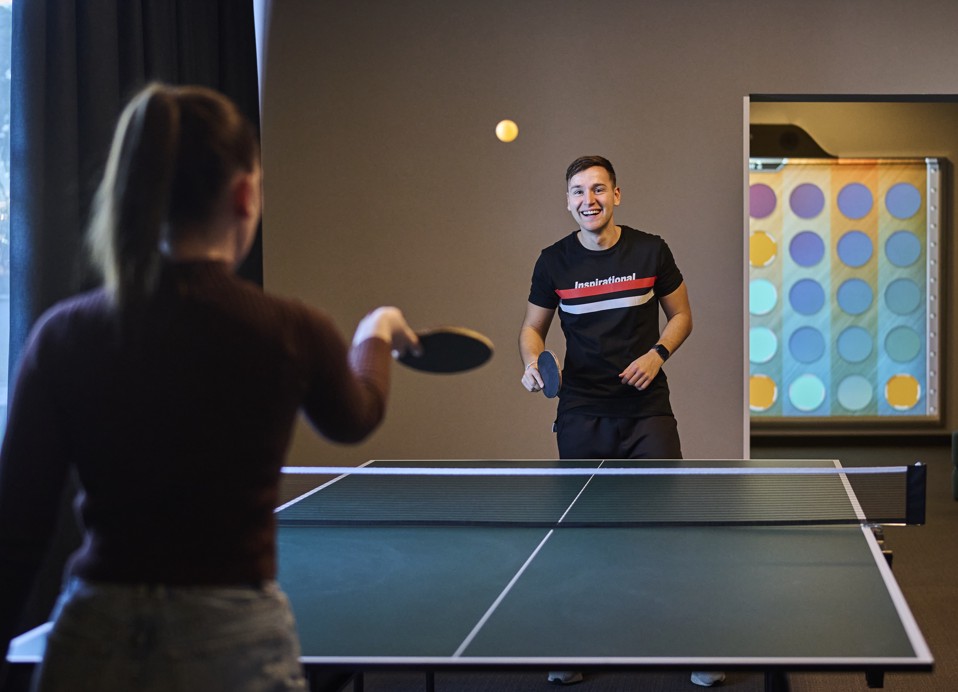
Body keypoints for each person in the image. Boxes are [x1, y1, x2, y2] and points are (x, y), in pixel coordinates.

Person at [0, 83, 419, 692]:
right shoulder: (290, 328)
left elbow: (15, 531)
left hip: (95, 634)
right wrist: (375, 331)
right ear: (245, 194)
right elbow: (357, 416)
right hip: (231, 636)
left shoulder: (64, 333)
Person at [519, 156, 722, 688]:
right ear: (567, 201)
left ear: (617, 195)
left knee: (667, 528)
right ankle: (575, 643)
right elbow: (531, 329)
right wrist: (532, 362)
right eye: (578, 191)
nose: (589, 199)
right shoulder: (553, 262)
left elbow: (682, 316)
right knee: (582, 534)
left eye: (599, 189)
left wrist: (658, 353)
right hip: (582, 410)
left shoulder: (651, 250)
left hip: (646, 411)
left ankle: (691, 647)